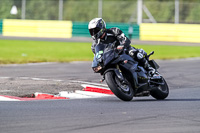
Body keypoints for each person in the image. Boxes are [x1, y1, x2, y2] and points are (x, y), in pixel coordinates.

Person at [88, 18, 155, 76]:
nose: (93, 33)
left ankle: (150, 69)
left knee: (134, 53)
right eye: (91, 31)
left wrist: (122, 46)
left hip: (124, 50)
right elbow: (97, 57)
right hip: (111, 57)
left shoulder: (114, 31)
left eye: (95, 30)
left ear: (101, 27)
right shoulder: (94, 45)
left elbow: (125, 39)